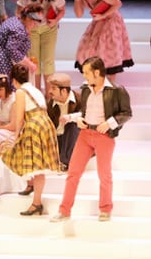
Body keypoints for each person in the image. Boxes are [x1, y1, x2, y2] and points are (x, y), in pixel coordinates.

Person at [50, 56, 132, 222]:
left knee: (104, 174)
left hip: (104, 136)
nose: (84, 75)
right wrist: (73, 118)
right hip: (86, 134)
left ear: (97, 72)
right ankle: (64, 211)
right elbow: (85, 113)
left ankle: (105, 209)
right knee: (73, 173)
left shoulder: (116, 90)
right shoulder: (86, 89)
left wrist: (110, 123)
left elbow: (126, 113)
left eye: (87, 72)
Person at [0, 64, 59, 216]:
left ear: (13, 80)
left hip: (35, 126)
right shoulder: (35, 89)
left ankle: (36, 203)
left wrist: (16, 137)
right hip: (45, 124)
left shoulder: (21, 92)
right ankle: (32, 188)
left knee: (37, 167)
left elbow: (19, 119)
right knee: (38, 166)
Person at [0, 3, 42, 113]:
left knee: (2, 97)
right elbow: (11, 49)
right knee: (2, 96)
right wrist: (28, 64)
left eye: (37, 21)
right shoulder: (18, 29)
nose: (35, 24)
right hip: (1, 63)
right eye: (33, 21)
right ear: (26, 17)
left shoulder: (15, 21)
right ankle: (2, 125)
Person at [70, 0, 134, 82]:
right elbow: (79, 14)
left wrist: (103, 14)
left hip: (110, 19)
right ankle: (97, 82)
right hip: (99, 20)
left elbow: (117, 3)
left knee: (109, 51)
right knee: (88, 49)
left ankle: (111, 86)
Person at [16, 0, 66, 97]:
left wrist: (55, 20)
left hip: (49, 28)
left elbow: (62, 10)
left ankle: (50, 94)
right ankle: (37, 93)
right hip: (32, 30)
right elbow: (18, 11)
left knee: (48, 61)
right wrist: (25, 26)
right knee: (34, 61)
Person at [47, 73, 81, 171]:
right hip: (58, 139)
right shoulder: (51, 104)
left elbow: (87, 115)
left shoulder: (78, 99)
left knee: (72, 124)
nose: (50, 91)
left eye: (53, 88)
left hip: (74, 138)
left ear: (64, 90)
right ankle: (61, 160)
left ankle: (66, 161)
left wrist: (70, 117)